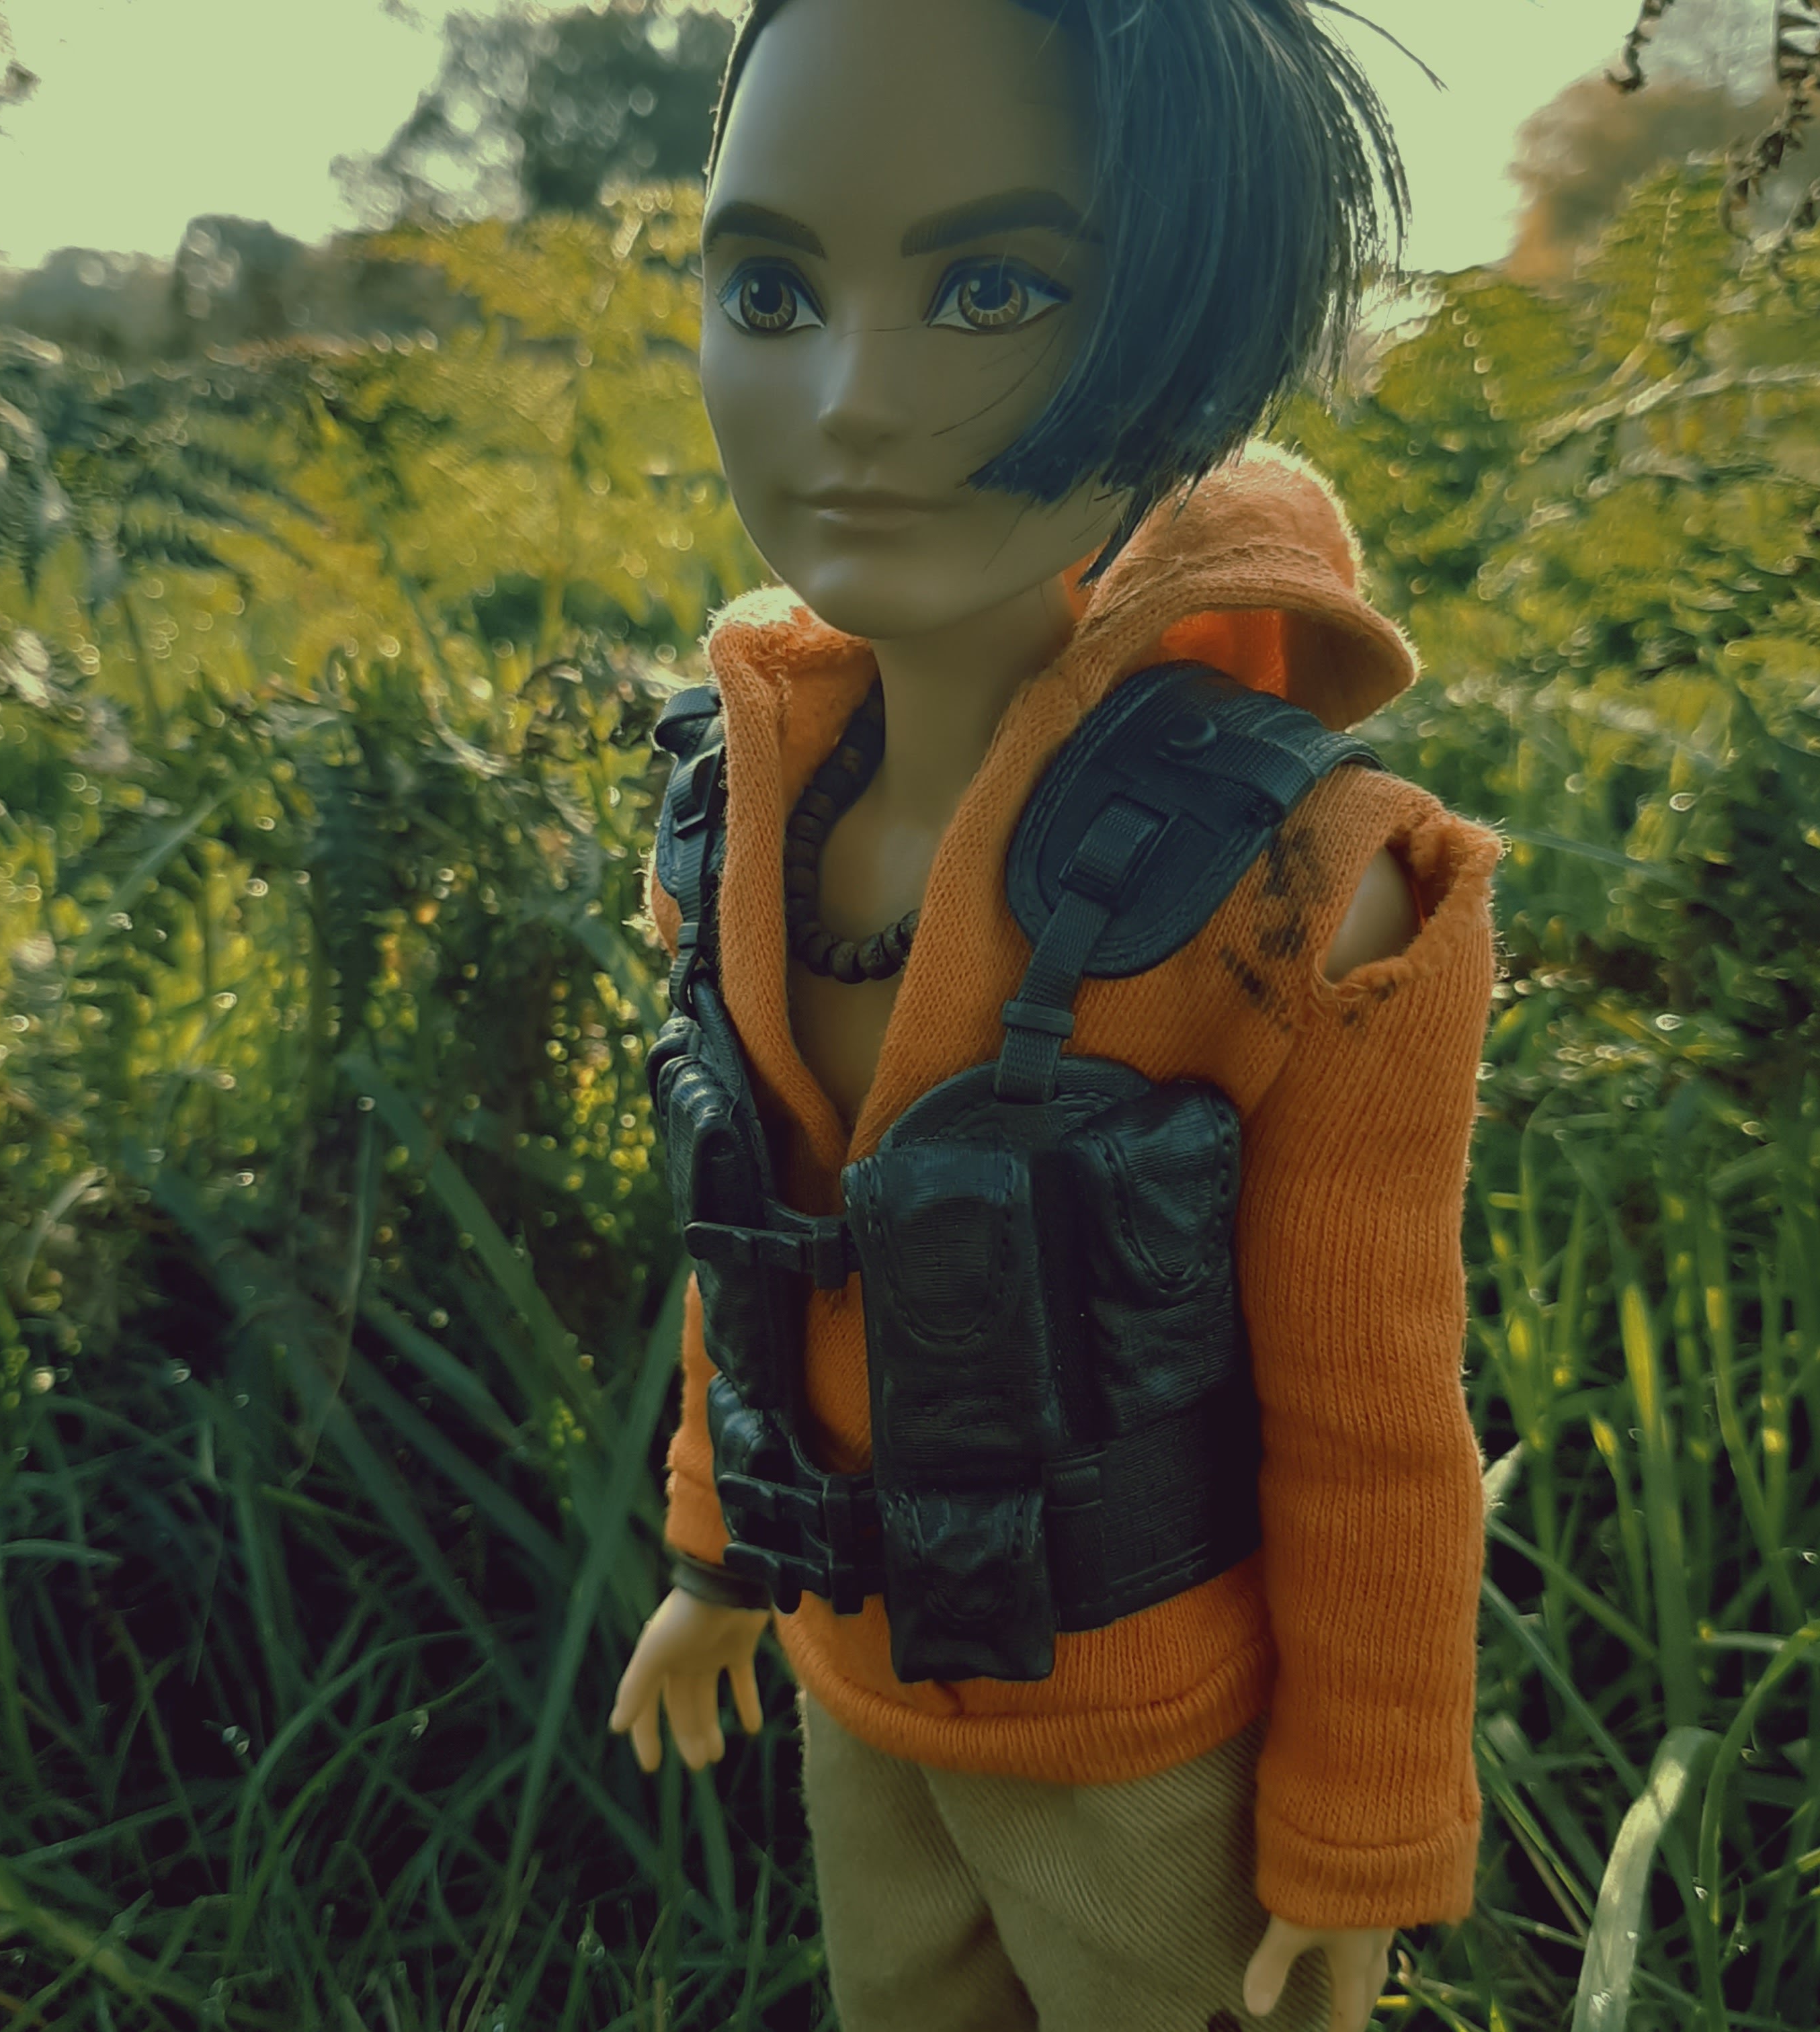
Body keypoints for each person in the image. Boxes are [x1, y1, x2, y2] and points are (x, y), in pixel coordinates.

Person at [609, 3, 1501, 2028]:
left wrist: (1361, 1830)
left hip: (1149, 1746)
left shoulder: (1297, 887)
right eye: (770, 289)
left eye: (994, 290)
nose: (849, 401)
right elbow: (754, 1236)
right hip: (857, 1680)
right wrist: (718, 1555)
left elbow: (1374, 1424)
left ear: (1189, 329)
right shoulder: (740, 815)